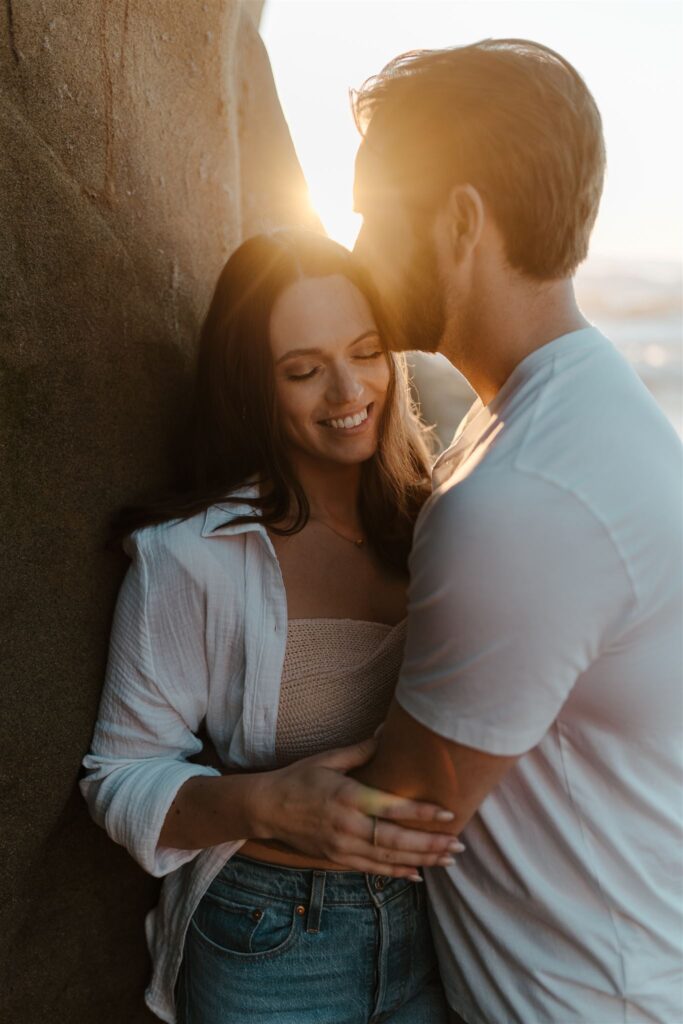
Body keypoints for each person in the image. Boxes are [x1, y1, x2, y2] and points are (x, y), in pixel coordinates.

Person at [347, 39, 683, 1024]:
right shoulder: (587, 403)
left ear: (458, 221)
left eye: (373, 210)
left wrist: (208, 799)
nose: (358, 244)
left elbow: (399, 817)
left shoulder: (521, 496)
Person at [80, 229, 459, 1024]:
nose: (347, 390)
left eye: (366, 351)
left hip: (441, 926)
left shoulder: (447, 525)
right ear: (251, 386)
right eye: (303, 369)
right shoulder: (194, 557)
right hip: (268, 942)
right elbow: (120, 774)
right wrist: (264, 804)